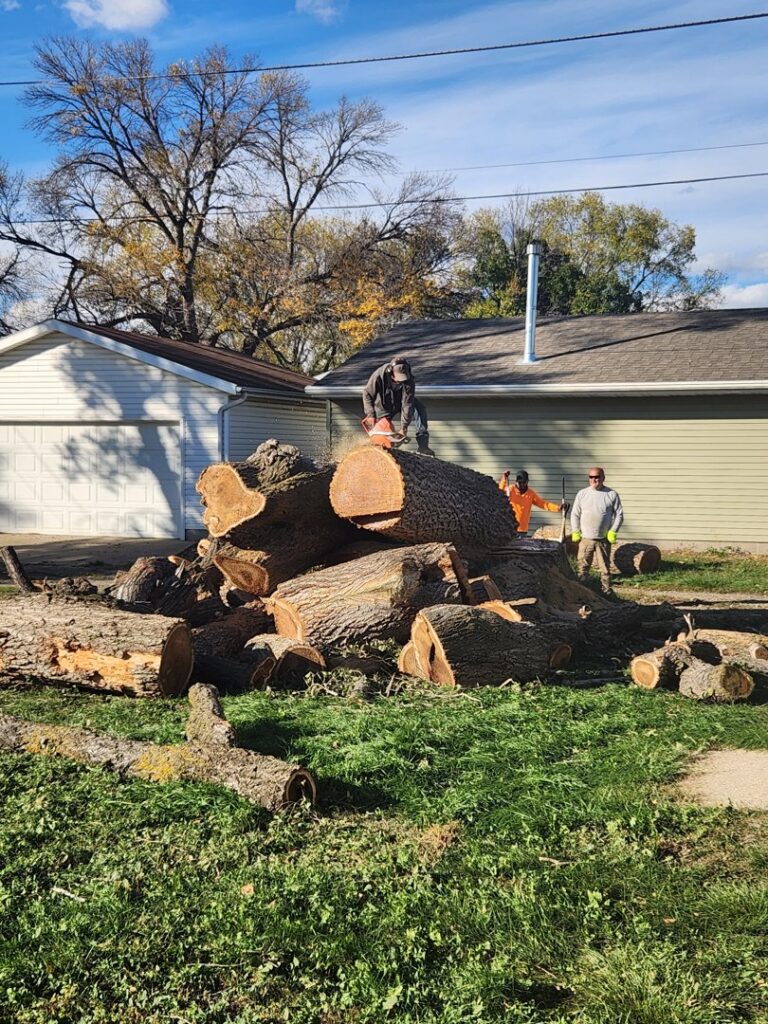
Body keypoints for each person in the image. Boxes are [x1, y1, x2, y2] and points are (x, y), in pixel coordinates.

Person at [362, 356, 433, 455]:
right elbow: (367, 394)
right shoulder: (380, 375)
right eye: (398, 378)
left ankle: (423, 445)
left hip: (403, 402)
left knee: (419, 408)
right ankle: (379, 449)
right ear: (390, 372)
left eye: (403, 378)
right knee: (380, 430)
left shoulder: (409, 380)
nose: (401, 381)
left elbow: (407, 404)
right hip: (384, 405)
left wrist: (404, 428)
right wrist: (370, 415)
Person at [570, 466, 624, 595]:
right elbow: (575, 514)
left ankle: (606, 592)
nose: (594, 479)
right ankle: (583, 592)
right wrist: (575, 530)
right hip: (586, 539)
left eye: (597, 477)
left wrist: (613, 531)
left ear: (603, 478)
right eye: (591, 477)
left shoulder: (611, 494)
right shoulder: (582, 494)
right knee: (582, 567)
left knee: (605, 569)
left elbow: (619, 515)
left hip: (603, 539)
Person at [498, 469, 567, 535]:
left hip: (523, 530)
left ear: (527, 481)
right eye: (520, 482)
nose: (522, 484)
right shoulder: (510, 490)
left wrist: (558, 508)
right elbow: (499, 492)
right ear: (516, 481)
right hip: (511, 528)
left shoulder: (530, 494)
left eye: (524, 482)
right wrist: (504, 479)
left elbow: (543, 504)